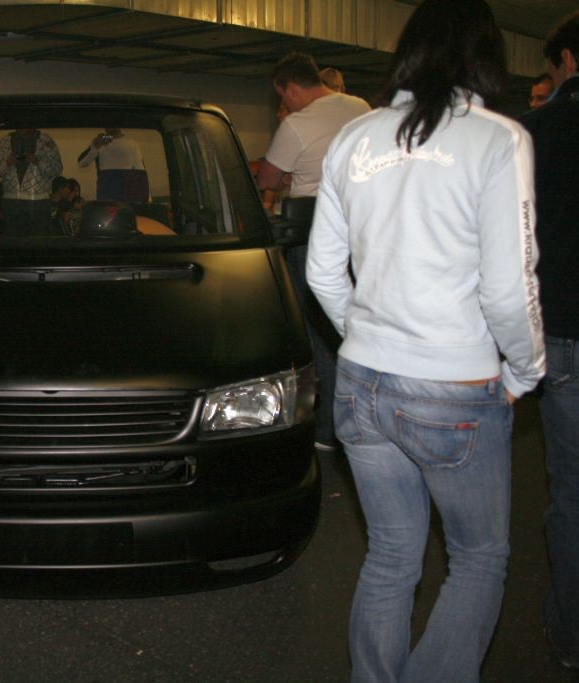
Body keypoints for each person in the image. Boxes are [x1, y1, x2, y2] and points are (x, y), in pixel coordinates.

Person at [306, 0, 545, 680]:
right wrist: (525, 370)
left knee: (390, 554)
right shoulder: (497, 138)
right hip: (453, 386)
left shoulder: (355, 137)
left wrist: (368, 335)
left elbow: (322, 271)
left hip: (361, 383)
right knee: (478, 559)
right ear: (486, 56)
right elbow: (508, 285)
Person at [257, 51, 370, 453]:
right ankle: (363, 416)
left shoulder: (298, 124)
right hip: (362, 230)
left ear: (290, 89)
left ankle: (327, 431)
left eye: (282, 97)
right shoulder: (360, 107)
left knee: (320, 333)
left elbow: (268, 178)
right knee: (357, 325)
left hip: (314, 231)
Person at [521, 10, 579, 671]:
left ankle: (571, 634)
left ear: (566, 60)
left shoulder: (534, 134)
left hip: (564, 325)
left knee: (573, 489)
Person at [0, 128, 62, 236]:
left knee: (39, 242)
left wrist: (37, 161)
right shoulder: (5, 140)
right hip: (11, 201)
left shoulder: (45, 140)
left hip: (39, 202)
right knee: (13, 242)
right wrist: (7, 163)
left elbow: (57, 169)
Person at [77, 128, 148, 203]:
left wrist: (146, 198)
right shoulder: (100, 142)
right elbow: (81, 163)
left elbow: (140, 175)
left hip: (126, 197)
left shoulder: (132, 144)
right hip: (106, 195)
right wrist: (95, 146)